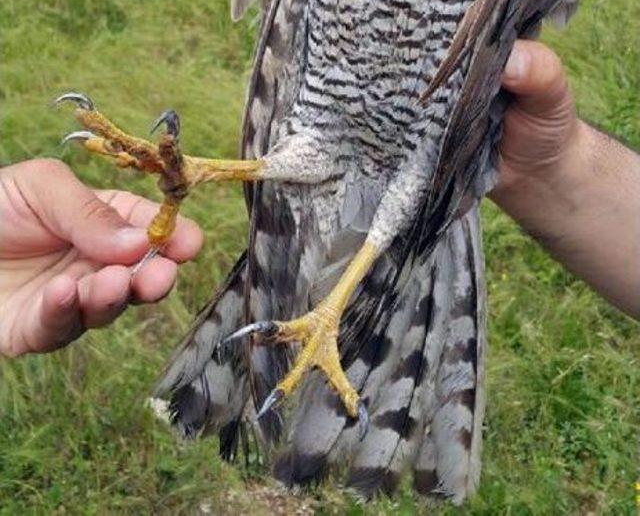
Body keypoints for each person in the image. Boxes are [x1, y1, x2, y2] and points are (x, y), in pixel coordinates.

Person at [1, 39, 638, 359]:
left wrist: (546, 164)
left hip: (418, 166)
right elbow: (320, 145)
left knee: (390, 205)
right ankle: (195, 170)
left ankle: (330, 315)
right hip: (337, 135)